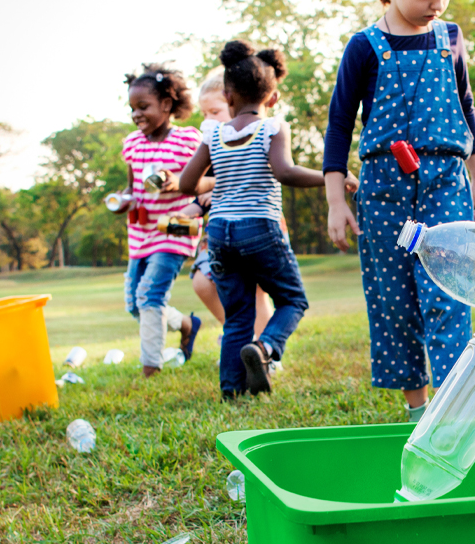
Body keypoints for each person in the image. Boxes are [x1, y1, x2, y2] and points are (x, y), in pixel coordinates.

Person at [323, 0, 475, 422]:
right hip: (383, 191)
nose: (438, 3)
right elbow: (337, 125)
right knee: (394, 300)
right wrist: (335, 200)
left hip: (445, 183)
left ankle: (453, 407)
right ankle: (419, 409)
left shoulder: (450, 39)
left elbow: (468, 110)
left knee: (447, 294)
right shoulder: (363, 47)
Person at [181, 40, 357, 399]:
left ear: (227, 96)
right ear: (272, 98)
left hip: (220, 232)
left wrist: (218, 180)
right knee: (293, 301)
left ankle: (231, 390)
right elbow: (285, 172)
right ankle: (264, 350)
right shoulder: (271, 128)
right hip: (259, 227)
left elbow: (186, 184)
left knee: (237, 314)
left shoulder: (213, 133)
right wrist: (332, 175)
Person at [117, 63, 206, 378]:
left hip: (175, 227)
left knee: (149, 296)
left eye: (144, 107)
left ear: (167, 105)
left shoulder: (188, 140)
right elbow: (132, 188)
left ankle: (150, 368)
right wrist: (122, 200)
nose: (136, 114)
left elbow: (207, 180)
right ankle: (186, 324)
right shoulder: (131, 144)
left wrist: (178, 181)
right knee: (134, 304)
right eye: (132, 108)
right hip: (140, 232)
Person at [190, 73, 275, 338]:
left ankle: (266, 353)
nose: (208, 119)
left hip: (255, 224)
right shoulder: (212, 145)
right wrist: (185, 212)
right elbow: (197, 189)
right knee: (203, 283)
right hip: (218, 232)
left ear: (234, 103)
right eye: (204, 113)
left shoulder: (259, 135)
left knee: (256, 293)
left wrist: (214, 187)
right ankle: (240, 337)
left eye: (214, 111)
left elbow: (260, 179)